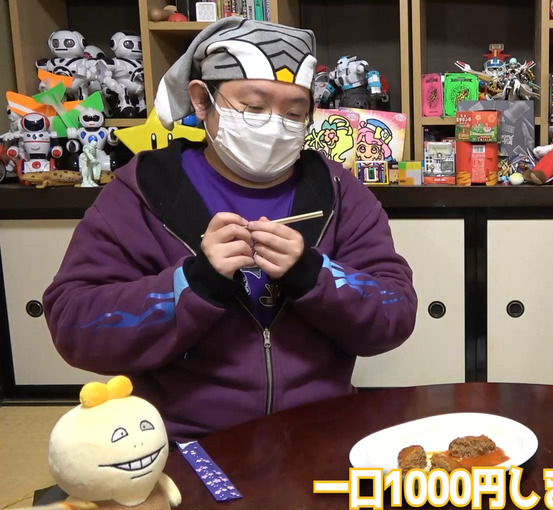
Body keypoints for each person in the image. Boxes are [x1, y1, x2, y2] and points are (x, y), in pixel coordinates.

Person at [43, 18, 417, 442]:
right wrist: (194, 283)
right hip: (183, 441)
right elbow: (74, 324)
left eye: (294, 113)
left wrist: (314, 275)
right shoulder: (146, 191)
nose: (275, 125)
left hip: (320, 432)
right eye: (254, 107)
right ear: (201, 100)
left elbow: (395, 313)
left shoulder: (337, 191)